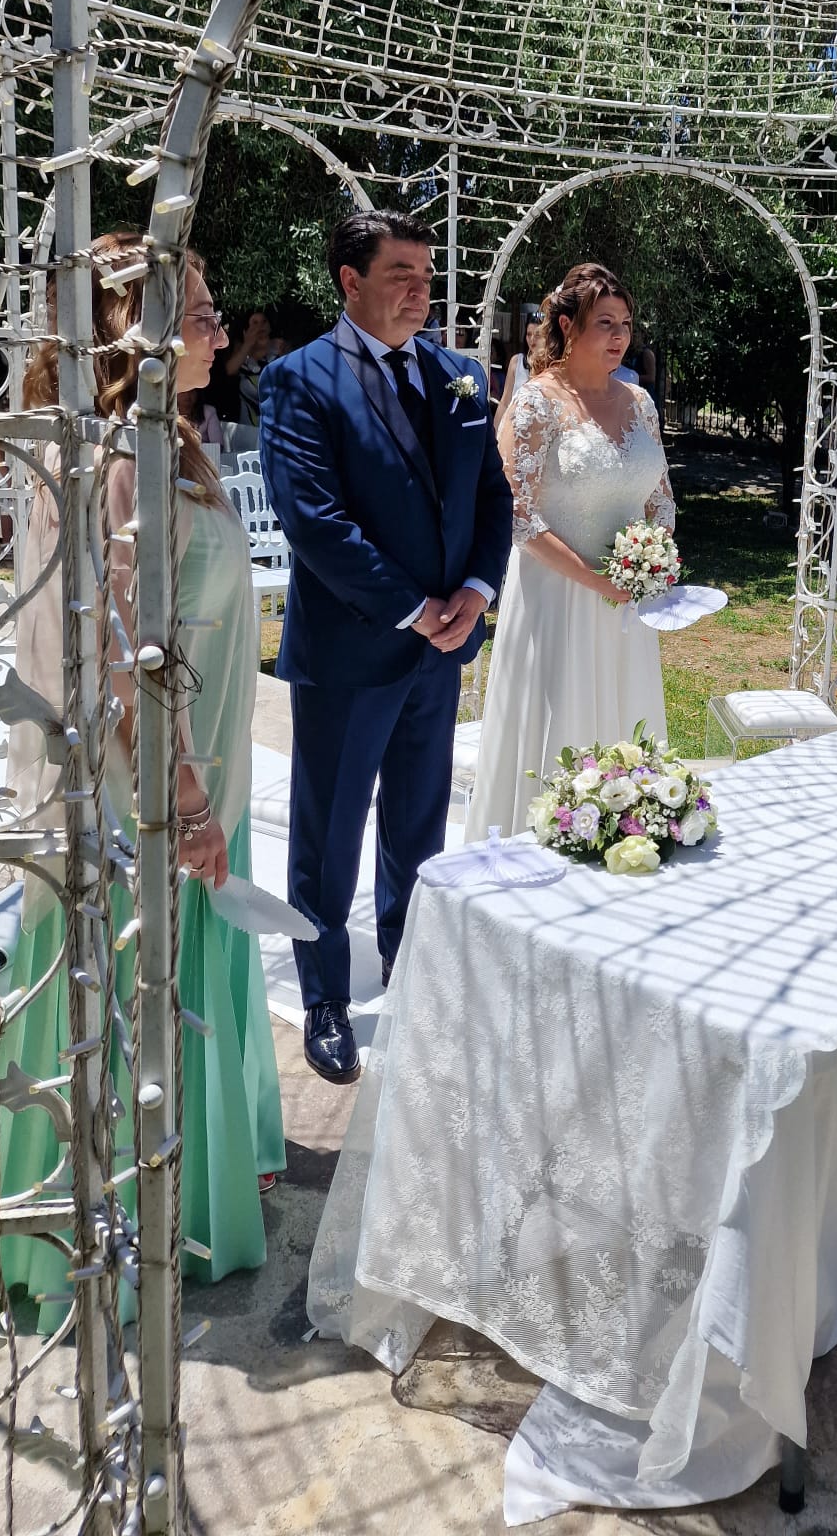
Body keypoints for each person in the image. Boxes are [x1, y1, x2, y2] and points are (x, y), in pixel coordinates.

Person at [0, 234, 285, 1330]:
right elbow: (121, 660)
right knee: (134, 986)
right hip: (148, 787)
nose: (216, 328)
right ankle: (110, 1221)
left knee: (180, 978)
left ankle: (192, 1187)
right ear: (136, 329)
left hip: (199, 758)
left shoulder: (173, 438)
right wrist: (188, 803)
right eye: (198, 311)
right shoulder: (120, 453)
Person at [259, 212, 513, 1084]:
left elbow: (492, 496)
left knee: (419, 819)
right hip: (351, 651)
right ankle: (325, 997)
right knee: (328, 833)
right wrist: (413, 609)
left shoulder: (457, 376)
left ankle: (411, 963)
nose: (420, 288)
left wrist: (476, 590)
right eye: (401, 272)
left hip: (442, 649)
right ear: (350, 280)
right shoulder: (299, 379)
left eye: (427, 272)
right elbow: (314, 522)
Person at [464, 262, 673, 842]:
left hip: (628, 602)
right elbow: (516, 512)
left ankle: (628, 822)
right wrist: (596, 579)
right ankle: (551, 832)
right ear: (566, 324)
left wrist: (652, 559)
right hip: (556, 598)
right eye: (605, 322)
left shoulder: (640, 402)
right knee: (561, 722)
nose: (619, 335)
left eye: (625, 323)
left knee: (625, 721)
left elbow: (660, 496)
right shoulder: (537, 401)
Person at [494, 306, 541, 426]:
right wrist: (496, 430)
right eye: (529, 334)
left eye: (537, 335)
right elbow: (505, 401)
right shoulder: (516, 361)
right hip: (515, 425)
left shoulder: (555, 365)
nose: (532, 339)